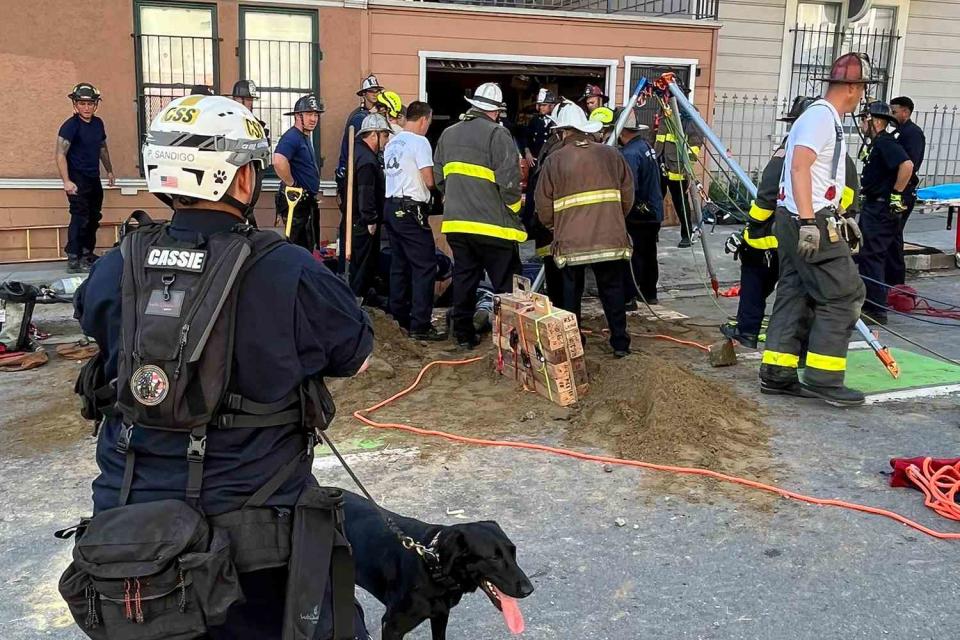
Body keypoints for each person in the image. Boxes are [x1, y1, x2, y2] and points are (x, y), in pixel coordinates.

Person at [72, 94, 373, 639]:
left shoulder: (119, 262)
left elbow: (96, 331)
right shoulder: (286, 267)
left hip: (131, 538)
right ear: (238, 181)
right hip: (257, 538)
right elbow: (356, 351)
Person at [759, 53, 875, 407]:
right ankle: (824, 378)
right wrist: (811, 222)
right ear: (852, 87)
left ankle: (777, 373)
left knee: (795, 290)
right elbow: (799, 167)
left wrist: (839, 213)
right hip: (807, 219)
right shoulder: (822, 117)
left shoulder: (823, 118)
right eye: (862, 90)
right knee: (844, 294)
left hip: (798, 216)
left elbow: (817, 174)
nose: (862, 98)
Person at [535, 103, 634, 358]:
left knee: (570, 295)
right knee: (612, 290)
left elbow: (543, 205)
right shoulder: (612, 155)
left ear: (564, 132)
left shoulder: (554, 160)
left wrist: (555, 227)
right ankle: (620, 343)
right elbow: (628, 195)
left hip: (571, 242)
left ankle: (573, 343)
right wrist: (613, 219)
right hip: (609, 239)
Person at [434, 82, 526, 350]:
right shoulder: (498, 135)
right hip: (494, 228)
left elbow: (440, 179)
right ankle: (513, 339)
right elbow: (509, 182)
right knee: (507, 285)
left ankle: (463, 335)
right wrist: (516, 210)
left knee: (465, 278)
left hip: (457, 226)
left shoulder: (448, 134)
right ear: (496, 111)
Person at [382, 101, 445, 340]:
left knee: (400, 264)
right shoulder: (420, 142)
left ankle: (398, 318)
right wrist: (437, 194)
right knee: (424, 265)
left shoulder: (392, 142)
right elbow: (428, 178)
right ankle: (420, 324)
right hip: (410, 209)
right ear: (424, 120)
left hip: (392, 206)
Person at [855, 101, 914, 324]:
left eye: (863, 119)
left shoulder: (886, 143)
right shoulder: (876, 143)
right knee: (868, 255)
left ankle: (876, 309)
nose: (861, 124)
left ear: (874, 121)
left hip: (880, 209)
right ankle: (869, 302)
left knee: (872, 257)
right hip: (872, 206)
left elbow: (907, 166)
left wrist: (896, 194)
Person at [56, 83, 114, 273]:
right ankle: (74, 257)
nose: (86, 107)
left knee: (94, 217)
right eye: (82, 103)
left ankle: (87, 253)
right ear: (76, 104)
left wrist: (110, 171)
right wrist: (66, 181)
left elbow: (102, 148)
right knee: (79, 217)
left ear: (95, 105)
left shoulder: (98, 124)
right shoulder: (70, 126)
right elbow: (60, 154)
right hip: (76, 179)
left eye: (90, 104)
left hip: (93, 178)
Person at [521, 100, 572, 310]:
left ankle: (561, 311)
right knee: (558, 273)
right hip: (552, 223)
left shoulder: (559, 150)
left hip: (555, 225)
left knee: (560, 275)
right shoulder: (554, 145)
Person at [617, 105, 663, 309]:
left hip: (638, 213)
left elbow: (629, 187)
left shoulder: (629, 154)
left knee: (634, 256)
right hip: (653, 211)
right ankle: (649, 293)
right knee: (648, 253)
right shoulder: (645, 146)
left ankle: (630, 297)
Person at [341, 114, 391, 303]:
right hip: (362, 222)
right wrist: (370, 218)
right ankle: (357, 301)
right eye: (385, 135)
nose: (386, 140)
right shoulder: (367, 160)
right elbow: (365, 192)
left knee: (364, 264)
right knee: (361, 265)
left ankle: (364, 297)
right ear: (374, 135)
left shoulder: (361, 154)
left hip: (355, 219)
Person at [273, 94, 323, 252]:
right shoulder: (292, 137)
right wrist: (292, 184)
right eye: (309, 114)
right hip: (295, 204)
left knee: (307, 246)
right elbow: (278, 161)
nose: (313, 119)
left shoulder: (305, 137)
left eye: (316, 115)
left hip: (305, 203)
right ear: (297, 116)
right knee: (295, 249)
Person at [887, 95, 926, 286]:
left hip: (902, 192)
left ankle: (896, 283)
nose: (891, 116)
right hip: (894, 190)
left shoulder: (912, 134)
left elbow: (909, 164)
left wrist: (897, 191)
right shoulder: (897, 133)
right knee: (889, 238)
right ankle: (889, 281)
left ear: (905, 112)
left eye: (894, 112)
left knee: (894, 238)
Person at [655, 107, 703, 248]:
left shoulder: (688, 114)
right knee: (655, 199)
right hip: (659, 162)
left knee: (680, 202)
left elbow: (695, 144)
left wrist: (686, 166)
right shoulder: (663, 110)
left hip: (677, 167)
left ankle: (686, 235)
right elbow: (658, 136)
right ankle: (653, 232)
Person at [337, 75, 383, 203]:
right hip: (354, 172)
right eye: (371, 91)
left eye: (377, 91)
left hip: (365, 172)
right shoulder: (359, 117)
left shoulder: (376, 115)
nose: (375, 94)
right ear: (364, 94)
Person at [523, 88, 559, 166]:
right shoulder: (535, 120)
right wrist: (527, 152)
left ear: (552, 106)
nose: (541, 108)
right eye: (540, 105)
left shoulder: (558, 122)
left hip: (552, 162)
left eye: (544, 105)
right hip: (535, 162)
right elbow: (527, 137)